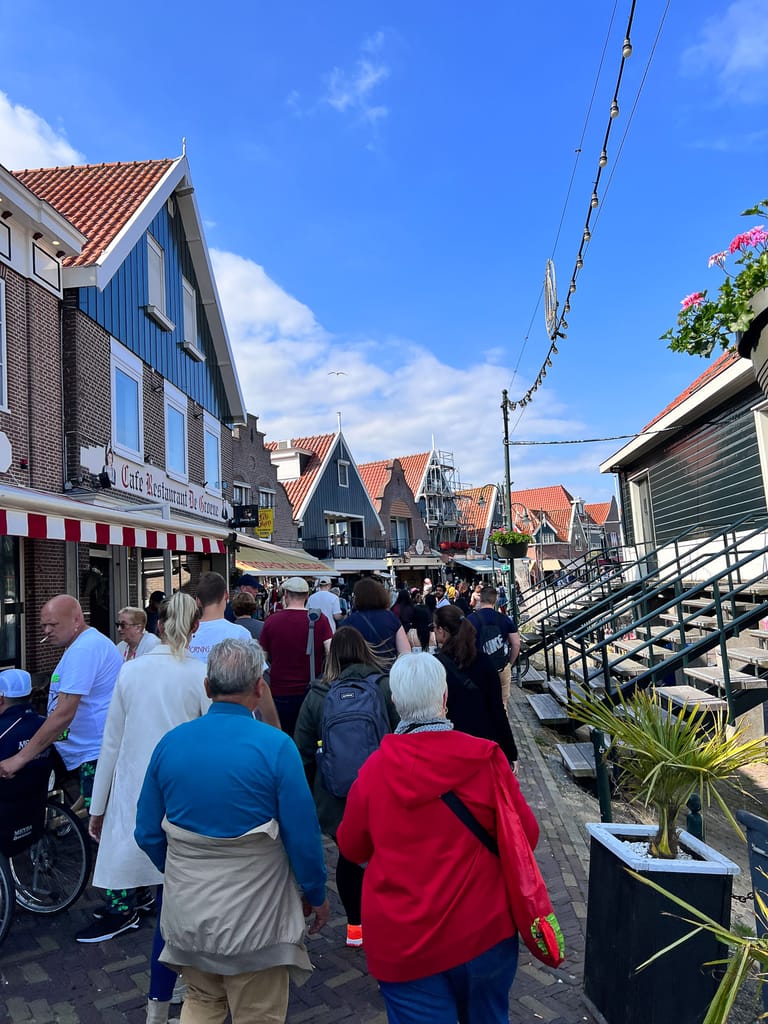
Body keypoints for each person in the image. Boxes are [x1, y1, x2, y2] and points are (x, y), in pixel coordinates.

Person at [337, 653, 539, 1024]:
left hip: (407, 941)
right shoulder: (485, 760)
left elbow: (351, 847)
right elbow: (528, 835)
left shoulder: (373, 773)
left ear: (395, 702)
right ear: (445, 698)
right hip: (484, 932)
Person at [135, 639, 329, 1024]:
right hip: (257, 920)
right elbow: (303, 838)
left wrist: (184, 868)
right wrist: (315, 893)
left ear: (207, 688)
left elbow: (146, 832)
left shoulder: (170, 744)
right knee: (257, 1011)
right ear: (260, 688)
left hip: (190, 916)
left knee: (202, 1000)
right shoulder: (276, 748)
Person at [77, 595, 212, 1005]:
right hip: (188, 795)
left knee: (159, 881)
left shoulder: (131, 673)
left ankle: (163, 991)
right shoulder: (202, 674)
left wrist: (97, 806)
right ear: (194, 629)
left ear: (157, 624)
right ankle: (189, 983)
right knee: (184, 893)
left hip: (137, 790)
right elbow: (214, 740)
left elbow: (111, 743)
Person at [294, 627, 398, 948]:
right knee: (386, 858)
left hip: (336, 796)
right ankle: (388, 926)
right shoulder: (385, 688)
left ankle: (355, 928)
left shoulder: (318, 694)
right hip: (383, 793)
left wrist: (313, 798)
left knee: (349, 858)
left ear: (331, 656)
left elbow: (304, 752)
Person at [0, 596, 123, 807]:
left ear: (76, 620)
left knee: (97, 826)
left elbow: (64, 713)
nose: (46, 630)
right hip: (84, 749)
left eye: (53, 624)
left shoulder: (83, 650)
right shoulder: (81, 645)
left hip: (92, 753)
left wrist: (21, 758)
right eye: (44, 625)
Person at [433, 605, 518, 770]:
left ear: (442, 631)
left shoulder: (435, 665)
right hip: (483, 742)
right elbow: (497, 709)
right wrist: (510, 750)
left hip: (451, 743)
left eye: (434, 628)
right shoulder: (485, 662)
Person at [258, 577, 333, 737]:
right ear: (307, 596)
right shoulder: (320, 620)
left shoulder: (271, 621)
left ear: (285, 594)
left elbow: (261, 660)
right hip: (312, 691)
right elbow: (331, 652)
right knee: (312, 740)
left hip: (280, 692)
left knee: (285, 737)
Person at [0, 670, 54, 856]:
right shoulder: (45, 726)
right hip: (34, 814)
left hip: (5, 819)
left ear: (1, 699)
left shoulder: (3, 730)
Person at [467, 586, 520, 709]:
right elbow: (516, 644)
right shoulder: (505, 619)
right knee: (502, 703)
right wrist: (509, 664)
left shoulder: (470, 619)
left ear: (480, 599)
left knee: (480, 703)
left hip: (478, 667)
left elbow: (464, 644)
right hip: (500, 667)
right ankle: (502, 726)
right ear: (495, 600)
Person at [344, 578, 411, 667]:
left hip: (358, 675)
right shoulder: (391, 618)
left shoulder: (349, 622)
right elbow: (405, 653)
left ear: (357, 597)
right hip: (386, 673)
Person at [188, 572, 251, 664]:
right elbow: (256, 675)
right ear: (226, 595)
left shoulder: (184, 635)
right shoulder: (240, 634)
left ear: (198, 601)